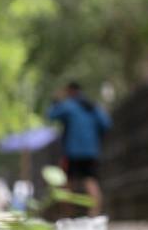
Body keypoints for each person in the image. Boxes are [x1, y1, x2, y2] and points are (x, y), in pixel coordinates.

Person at [45, 82, 112, 215]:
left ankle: (68, 215)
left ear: (69, 91)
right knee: (91, 181)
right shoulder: (92, 107)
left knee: (66, 184)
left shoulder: (69, 106)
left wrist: (56, 101)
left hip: (72, 152)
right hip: (91, 151)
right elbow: (106, 124)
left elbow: (51, 115)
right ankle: (94, 214)